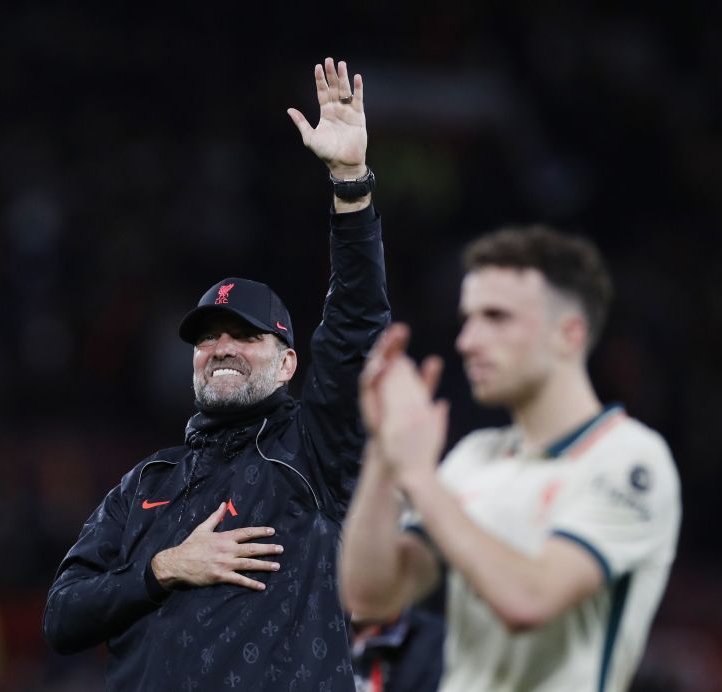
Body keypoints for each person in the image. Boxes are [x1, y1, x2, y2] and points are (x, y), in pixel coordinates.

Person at [43, 57, 389, 691]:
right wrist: (165, 567)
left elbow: (356, 328)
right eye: (207, 338)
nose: (221, 347)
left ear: (288, 363)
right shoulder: (145, 483)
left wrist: (348, 182)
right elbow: (63, 615)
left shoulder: (314, 456)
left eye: (244, 336)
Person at [339, 226, 681, 692]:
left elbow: (529, 600)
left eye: (496, 317)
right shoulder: (475, 456)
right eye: (468, 318)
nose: (467, 341)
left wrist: (419, 479)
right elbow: (370, 595)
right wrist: (384, 452)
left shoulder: (631, 459)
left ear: (569, 334)